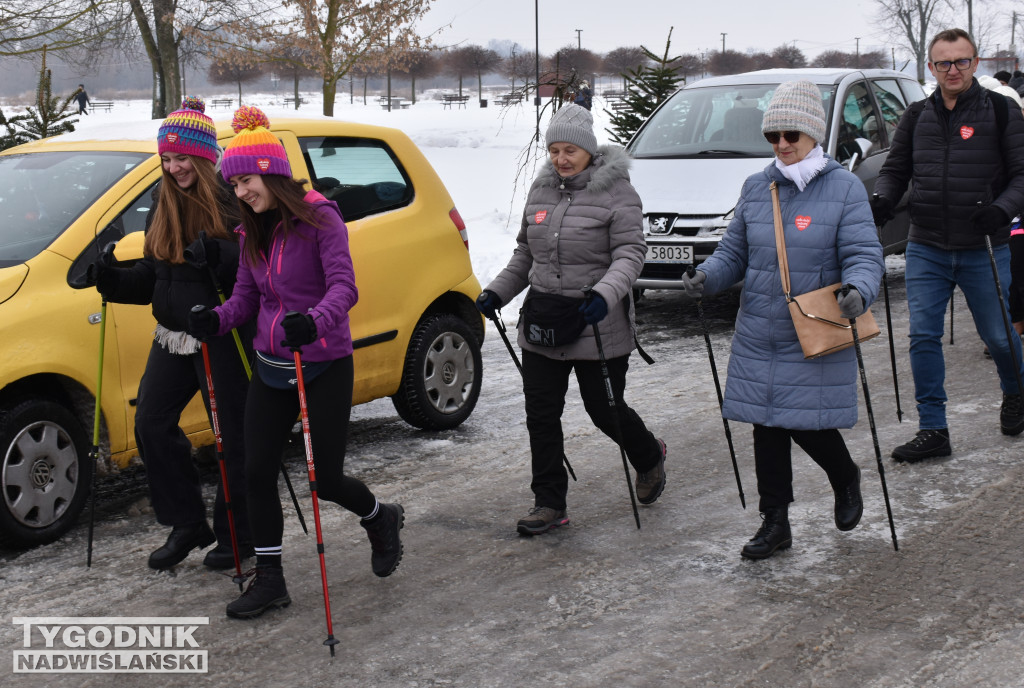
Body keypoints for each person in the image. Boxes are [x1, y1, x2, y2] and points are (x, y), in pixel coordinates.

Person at [187, 106, 404, 619]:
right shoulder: (251, 231)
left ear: (271, 171)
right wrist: (213, 320)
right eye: (234, 185)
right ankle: (271, 580)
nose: (239, 193)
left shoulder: (320, 217)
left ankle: (380, 518)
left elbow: (344, 287)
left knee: (325, 480)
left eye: (244, 182)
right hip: (271, 366)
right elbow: (244, 297)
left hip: (323, 361)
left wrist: (315, 320)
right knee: (256, 471)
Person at [679, 80, 884, 560]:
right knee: (765, 425)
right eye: (773, 136)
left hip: (814, 325)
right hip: (760, 328)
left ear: (812, 132)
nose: (782, 144)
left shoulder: (845, 188)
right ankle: (776, 523)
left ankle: (844, 475)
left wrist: (859, 288)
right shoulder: (757, 186)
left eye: (791, 133)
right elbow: (734, 253)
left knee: (807, 423)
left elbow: (864, 253)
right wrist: (706, 277)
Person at [477, 104, 665, 536]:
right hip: (543, 321)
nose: (562, 159)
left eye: (571, 150)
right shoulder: (542, 190)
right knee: (541, 415)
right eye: (555, 150)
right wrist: (496, 292)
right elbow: (527, 254)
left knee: (605, 411)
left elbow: (631, 254)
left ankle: (649, 454)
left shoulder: (617, 192)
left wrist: (605, 293)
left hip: (595, 320)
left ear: (589, 150)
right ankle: (549, 503)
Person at [90, 97, 252, 570]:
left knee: (231, 438)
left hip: (223, 333)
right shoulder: (163, 199)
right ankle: (187, 523)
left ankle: (237, 536)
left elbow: (258, 266)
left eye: (182, 158)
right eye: (166, 157)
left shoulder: (232, 197)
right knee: (151, 425)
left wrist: (220, 257)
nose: (173, 166)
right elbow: (160, 276)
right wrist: (116, 281)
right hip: (174, 335)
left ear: (203, 158)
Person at [872, 28, 1024, 462]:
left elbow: (1021, 175)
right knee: (923, 335)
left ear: (975, 64)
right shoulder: (916, 115)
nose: (952, 70)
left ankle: (1016, 390)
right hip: (927, 245)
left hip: (984, 247)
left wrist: (1002, 209)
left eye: (961, 61)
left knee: (997, 336)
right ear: (931, 67)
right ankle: (933, 429)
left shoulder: (1001, 110)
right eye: (944, 63)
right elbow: (895, 168)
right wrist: (884, 198)